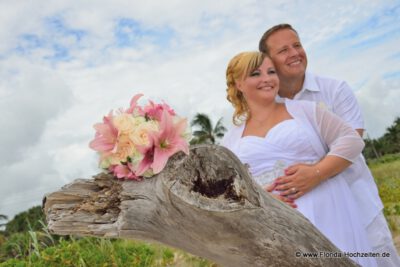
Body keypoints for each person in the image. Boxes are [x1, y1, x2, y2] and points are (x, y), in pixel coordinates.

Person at [258, 24, 399, 267]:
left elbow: (353, 141)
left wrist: (315, 173)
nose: (294, 53)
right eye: (283, 50)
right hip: (314, 217)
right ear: (268, 62)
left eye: (297, 45)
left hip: (359, 204)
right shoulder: (268, 107)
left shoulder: (335, 89)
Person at [222, 51, 382, 266]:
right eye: (255, 73)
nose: (267, 78)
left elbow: (351, 141)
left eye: (271, 71)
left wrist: (317, 173)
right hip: (276, 225)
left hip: (326, 209)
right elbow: (231, 189)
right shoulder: (231, 139)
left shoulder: (304, 111)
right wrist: (260, 200)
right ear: (239, 84)